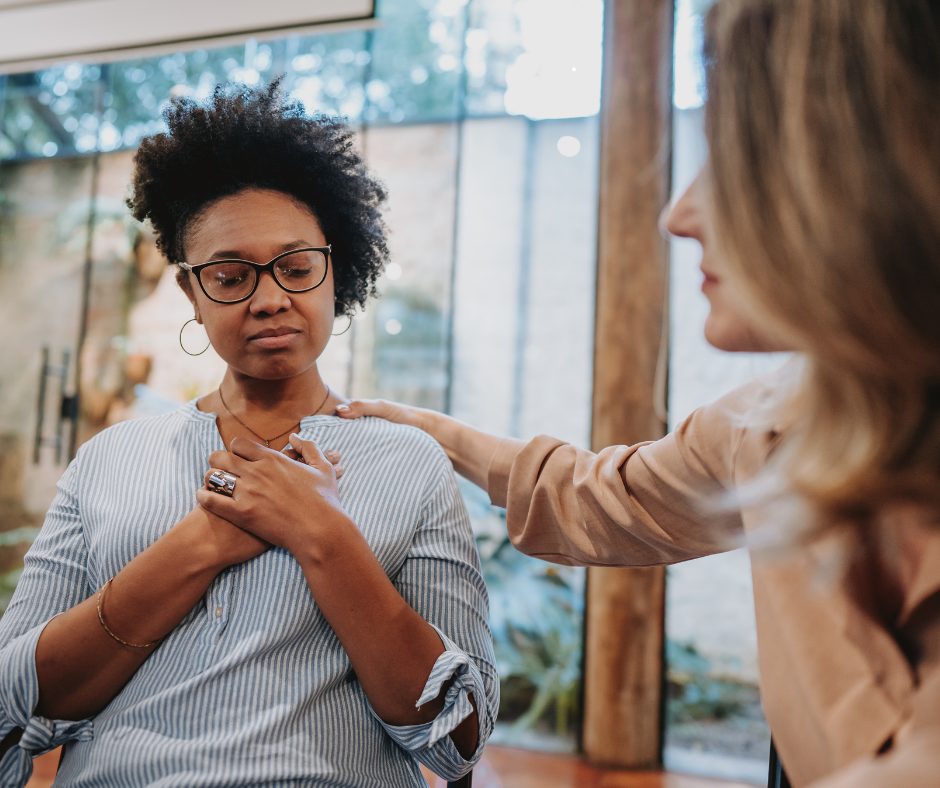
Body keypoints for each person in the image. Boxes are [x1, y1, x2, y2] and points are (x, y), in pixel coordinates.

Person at [336, 1, 940, 786]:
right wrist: (421, 431)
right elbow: (594, 497)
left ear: (872, 173)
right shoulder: (767, 422)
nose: (676, 214)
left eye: (733, 162)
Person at [0, 84, 497, 787]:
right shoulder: (110, 459)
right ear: (191, 296)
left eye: (296, 268)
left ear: (336, 272)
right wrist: (201, 544)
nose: (269, 298)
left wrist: (321, 534)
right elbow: (14, 704)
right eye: (231, 277)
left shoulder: (408, 462)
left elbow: (458, 738)